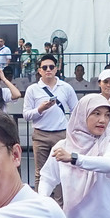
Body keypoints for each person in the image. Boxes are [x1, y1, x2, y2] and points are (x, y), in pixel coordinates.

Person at [22, 54, 77, 186]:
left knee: (61, 171)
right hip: (40, 134)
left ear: (56, 69)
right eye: (44, 67)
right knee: (40, 173)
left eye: (51, 67)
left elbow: (76, 110)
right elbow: (26, 114)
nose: (48, 70)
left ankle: (60, 205)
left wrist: (71, 129)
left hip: (61, 134)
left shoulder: (66, 87)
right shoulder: (32, 90)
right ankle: (41, 203)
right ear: (39, 70)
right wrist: (40, 109)